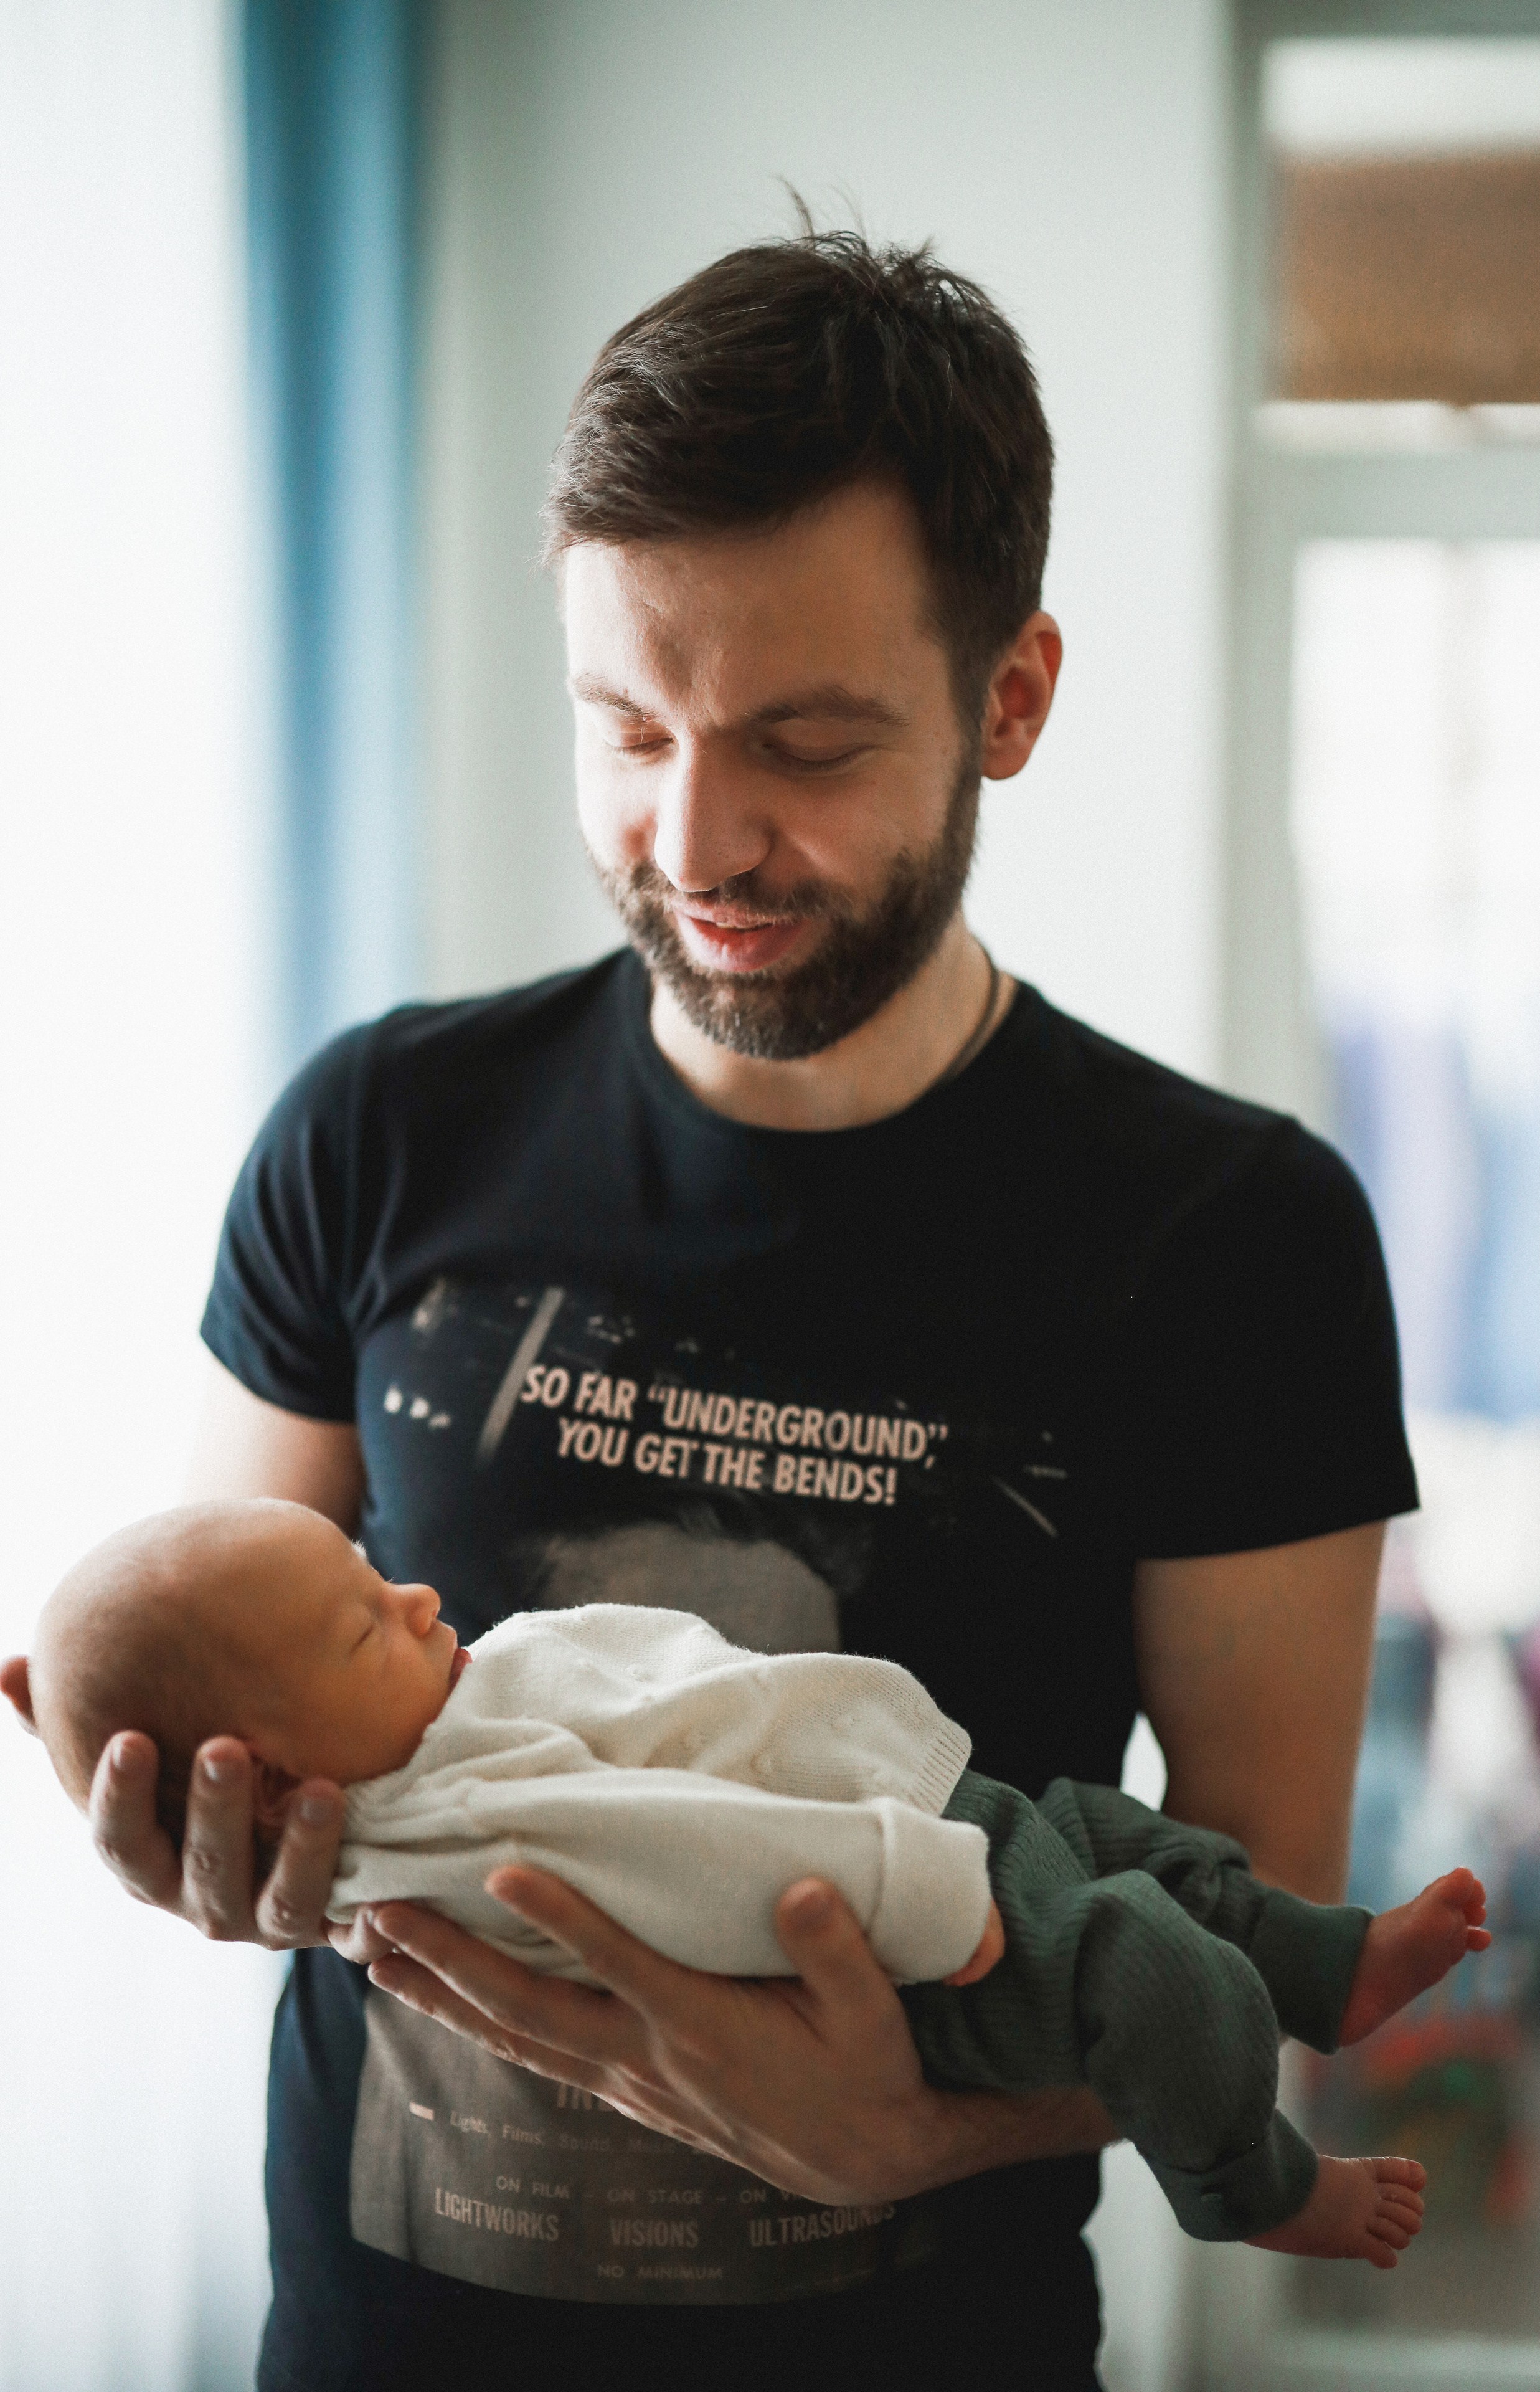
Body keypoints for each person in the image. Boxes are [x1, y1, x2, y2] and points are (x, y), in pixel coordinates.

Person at [1, 229, 1420, 2389]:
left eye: (808, 743)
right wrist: (199, 1848)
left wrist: (924, 2129)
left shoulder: (1233, 1238)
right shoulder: (378, 1130)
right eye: (628, 725)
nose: (698, 839)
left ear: (1010, 698)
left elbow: (1255, 1919)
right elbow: (222, 1689)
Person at [24, 1497, 1477, 2271]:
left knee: (1147, 1852)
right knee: (1145, 1968)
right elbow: (693, 1849)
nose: (413, 1597)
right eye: (362, 1631)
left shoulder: (439, 1709)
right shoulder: (469, 1817)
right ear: (276, 1783)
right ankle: (1250, 2185)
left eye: (370, 1569)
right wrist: (925, 1893)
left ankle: (1326, 1966)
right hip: (920, 1935)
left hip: (939, 1817)